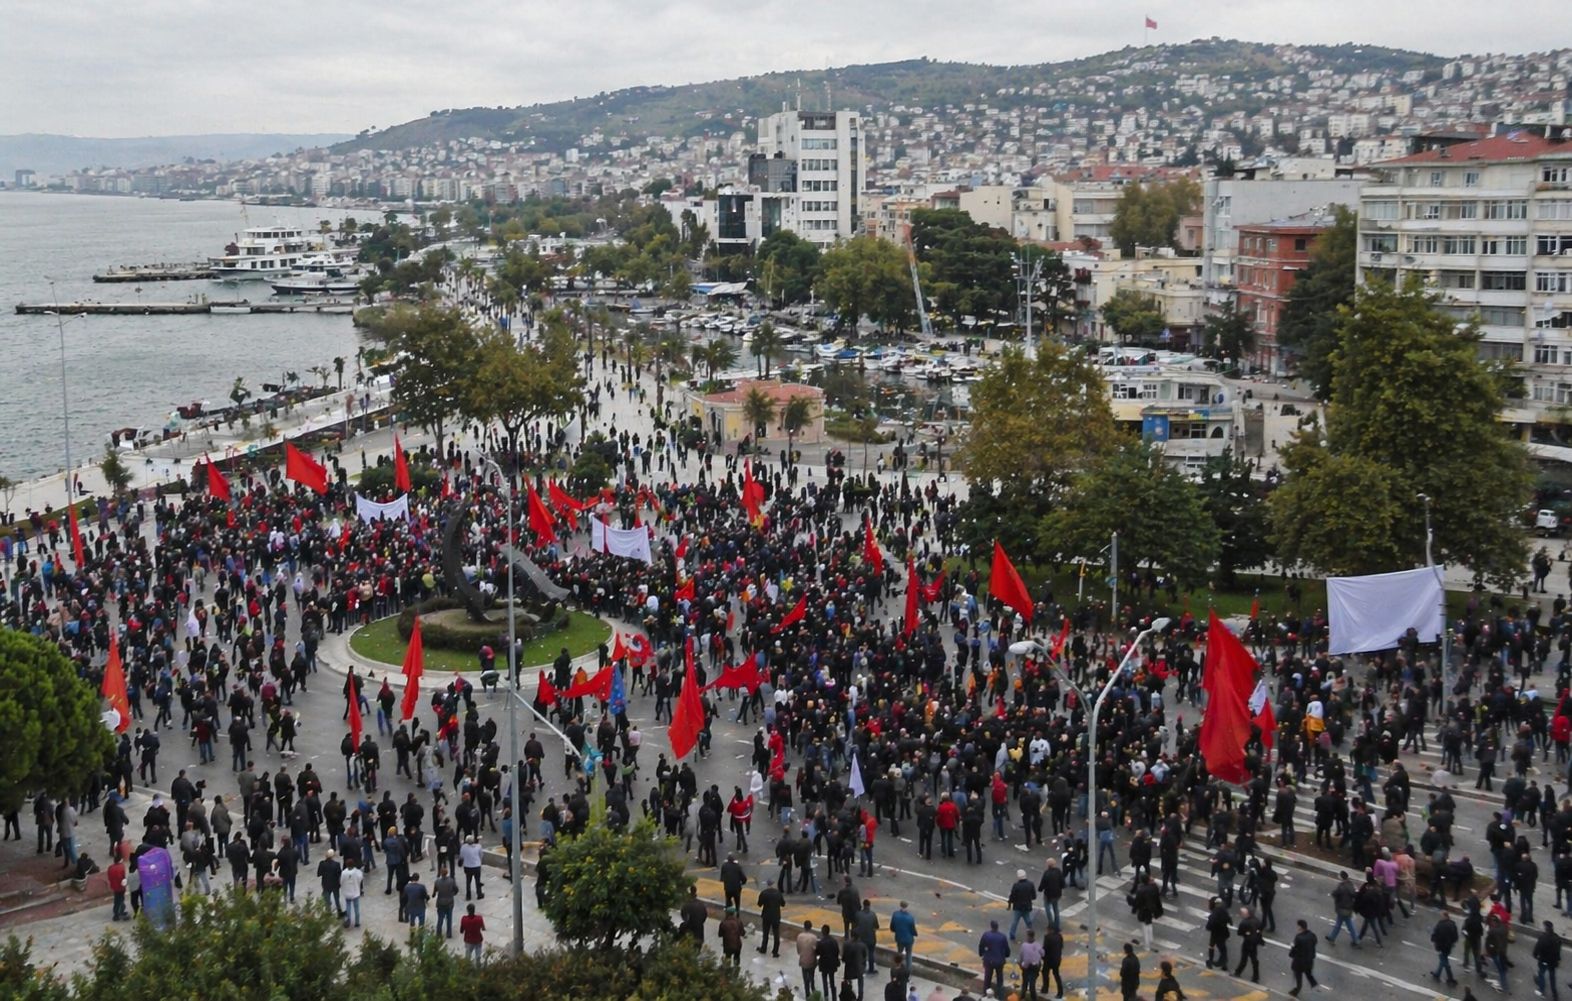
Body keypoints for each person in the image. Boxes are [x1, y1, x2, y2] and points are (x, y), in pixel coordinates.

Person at [1327, 871, 1361, 947]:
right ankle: (1355, 940)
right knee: (1349, 925)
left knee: (1339, 924)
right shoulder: (1351, 884)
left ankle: (1332, 938)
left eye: (1339, 875)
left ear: (1342, 877)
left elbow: (1335, 894)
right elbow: (1354, 894)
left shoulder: (1341, 886)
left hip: (1342, 908)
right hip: (1349, 908)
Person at [978, 919, 1010, 998]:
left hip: (989, 960)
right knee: (1000, 979)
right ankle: (1000, 996)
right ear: (997, 927)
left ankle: (985, 994)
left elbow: (981, 945)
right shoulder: (1002, 936)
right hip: (999, 961)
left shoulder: (986, 935)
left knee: (987, 978)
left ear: (991, 926)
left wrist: (981, 954)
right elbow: (1007, 949)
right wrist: (1006, 955)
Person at [1289, 919, 1320, 996]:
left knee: (1298, 977)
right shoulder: (1312, 935)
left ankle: (1297, 990)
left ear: (1300, 927)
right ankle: (1313, 982)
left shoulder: (1298, 938)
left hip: (1299, 962)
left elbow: (1294, 951)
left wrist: (1292, 948)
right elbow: (1315, 942)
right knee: (1308, 972)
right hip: (1309, 960)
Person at [1534, 919, 1562, 1001]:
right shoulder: (1557, 938)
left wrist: (1535, 955)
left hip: (1543, 961)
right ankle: (1554, 994)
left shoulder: (1542, 938)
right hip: (1552, 962)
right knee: (1552, 977)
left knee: (1541, 974)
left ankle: (1541, 990)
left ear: (1546, 928)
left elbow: (1537, 949)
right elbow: (1558, 951)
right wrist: (1558, 960)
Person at [1431, 908, 1459, 986]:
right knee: (1443, 959)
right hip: (1448, 946)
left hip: (1441, 946)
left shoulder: (1440, 925)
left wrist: (1434, 941)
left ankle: (1450, 977)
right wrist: (1452, 942)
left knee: (1444, 961)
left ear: (1444, 916)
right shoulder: (1453, 924)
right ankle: (1437, 973)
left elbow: (1435, 934)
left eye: (1441, 915)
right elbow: (1455, 936)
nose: (1441, 917)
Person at [1234, 906, 1263, 982]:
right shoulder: (1257, 921)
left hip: (1247, 942)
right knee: (1254, 960)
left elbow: (1239, 933)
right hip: (1254, 943)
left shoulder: (1244, 923)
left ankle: (1238, 972)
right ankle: (1256, 977)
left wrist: (1246, 933)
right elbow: (1260, 930)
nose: (1242, 914)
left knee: (1244, 958)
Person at [758, 880, 786, 957]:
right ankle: (775, 952)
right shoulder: (778, 893)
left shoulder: (764, 893)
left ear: (767, 885)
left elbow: (759, 904)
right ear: (774, 885)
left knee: (765, 933)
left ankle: (763, 949)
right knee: (776, 934)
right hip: (776, 916)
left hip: (766, 916)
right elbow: (783, 904)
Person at [890, 901, 918, 978]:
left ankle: (898, 968)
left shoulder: (895, 915)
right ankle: (908, 973)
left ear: (900, 906)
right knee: (909, 955)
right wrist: (915, 934)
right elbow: (913, 929)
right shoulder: (910, 917)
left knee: (899, 953)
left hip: (899, 938)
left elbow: (892, 927)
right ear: (907, 907)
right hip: (909, 939)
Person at [1009, 868, 1038, 940]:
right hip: (1027, 906)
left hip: (1018, 907)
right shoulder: (1030, 884)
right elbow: (1034, 896)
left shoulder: (1016, 885)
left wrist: (1010, 902)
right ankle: (1031, 934)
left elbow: (1012, 896)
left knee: (1015, 922)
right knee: (1028, 921)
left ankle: (1012, 935)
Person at [1204, 896, 1231, 970]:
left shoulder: (1214, 914)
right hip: (1224, 932)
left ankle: (1210, 962)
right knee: (1223, 948)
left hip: (1215, 933)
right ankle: (1224, 964)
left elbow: (1209, 926)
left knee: (1212, 946)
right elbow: (1229, 919)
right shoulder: (1224, 910)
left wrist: (1208, 925)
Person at [818, 923, 842, 999]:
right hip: (832, 964)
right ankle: (834, 996)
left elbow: (818, 952)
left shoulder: (820, 942)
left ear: (823, 932)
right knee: (832, 981)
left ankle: (826, 995)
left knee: (824, 980)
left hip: (824, 964)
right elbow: (837, 951)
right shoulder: (834, 941)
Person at [433, 865, 459, 938]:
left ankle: (438, 933)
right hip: (449, 902)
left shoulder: (437, 881)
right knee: (449, 919)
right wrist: (452, 894)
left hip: (440, 902)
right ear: (447, 873)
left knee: (440, 918)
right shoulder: (451, 881)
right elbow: (456, 890)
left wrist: (434, 894)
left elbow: (434, 892)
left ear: (441, 873)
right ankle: (449, 933)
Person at [798, 920, 821, 998]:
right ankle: (813, 988)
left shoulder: (799, 936)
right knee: (812, 976)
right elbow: (816, 950)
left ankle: (807, 993)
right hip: (811, 961)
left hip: (803, 960)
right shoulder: (814, 938)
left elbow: (798, 950)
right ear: (811, 927)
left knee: (805, 978)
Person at [1042, 924, 1066, 999]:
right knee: (1056, 975)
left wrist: (1042, 956)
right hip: (1057, 959)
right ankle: (1060, 992)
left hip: (1048, 959)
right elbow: (1061, 947)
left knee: (1045, 973)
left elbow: (1045, 948)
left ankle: (1045, 988)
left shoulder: (1047, 937)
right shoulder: (1060, 936)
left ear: (1051, 930)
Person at [1019, 929, 1044, 1001]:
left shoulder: (1024, 945)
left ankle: (1023, 997)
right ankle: (1032, 998)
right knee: (1031, 983)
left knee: (1026, 983)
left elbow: (1021, 956)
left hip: (1027, 967)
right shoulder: (1037, 945)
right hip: (1035, 967)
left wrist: (1020, 964)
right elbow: (1043, 953)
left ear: (1029, 936)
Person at [341, 859, 364, 928]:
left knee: (348, 906)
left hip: (347, 892)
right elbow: (360, 878)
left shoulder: (344, 873)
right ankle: (357, 922)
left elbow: (341, 881)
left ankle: (348, 920)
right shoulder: (357, 872)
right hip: (355, 892)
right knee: (356, 907)